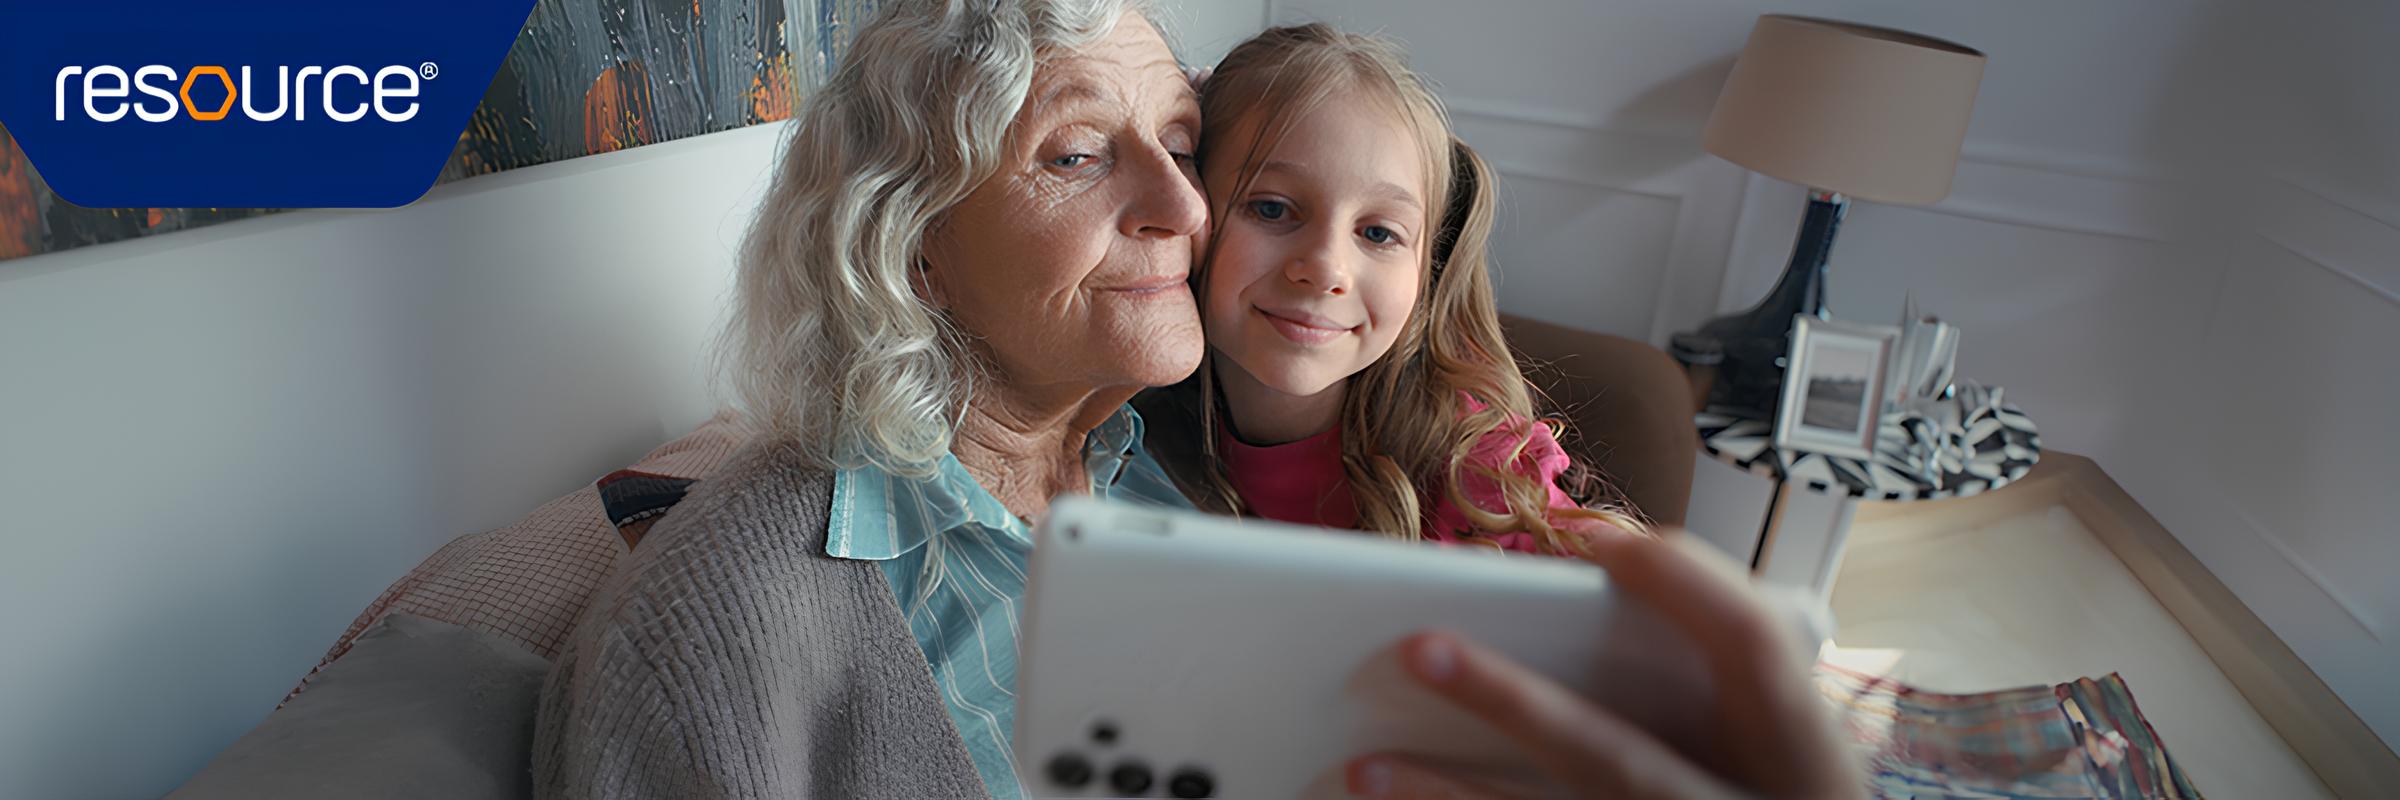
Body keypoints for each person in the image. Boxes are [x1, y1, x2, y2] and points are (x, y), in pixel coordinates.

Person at [531, 2, 1207, 797]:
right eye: (1078, 157)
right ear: (916, 246)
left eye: (1180, 146)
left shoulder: (1171, 446)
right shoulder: (708, 632)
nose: (1186, 206)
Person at [1141, 24, 1642, 559]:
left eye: (1378, 233)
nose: (1328, 269)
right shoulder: (1129, 421)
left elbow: (1626, 582)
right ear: (1189, 206)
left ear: (1424, 271)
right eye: (1272, 208)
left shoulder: (1473, 475)